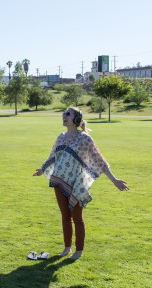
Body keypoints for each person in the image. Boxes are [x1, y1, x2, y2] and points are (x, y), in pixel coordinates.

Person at [33, 107, 129, 259]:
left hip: (77, 184)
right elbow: (52, 156)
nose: (64, 116)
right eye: (64, 113)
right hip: (58, 181)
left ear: (76, 119)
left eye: (68, 114)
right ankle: (67, 248)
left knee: (77, 218)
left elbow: (100, 161)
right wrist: (42, 169)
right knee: (65, 216)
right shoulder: (60, 137)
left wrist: (114, 180)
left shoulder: (84, 139)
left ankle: (78, 251)